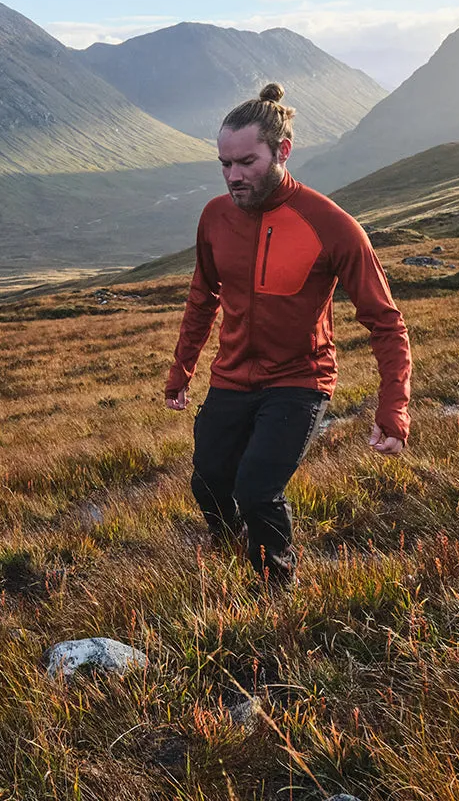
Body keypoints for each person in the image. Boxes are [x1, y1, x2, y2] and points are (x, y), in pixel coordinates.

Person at [165, 82, 412, 587]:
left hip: (301, 380)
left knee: (256, 490)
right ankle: (233, 546)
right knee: (210, 484)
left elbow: (385, 323)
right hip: (232, 377)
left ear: (283, 151)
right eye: (225, 164)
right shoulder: (214, 216)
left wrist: (394, 408)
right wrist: (182, 368)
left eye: (247, 162)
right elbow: (202, 297)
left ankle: (276, 589)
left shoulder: (333, 227)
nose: (234, 176)